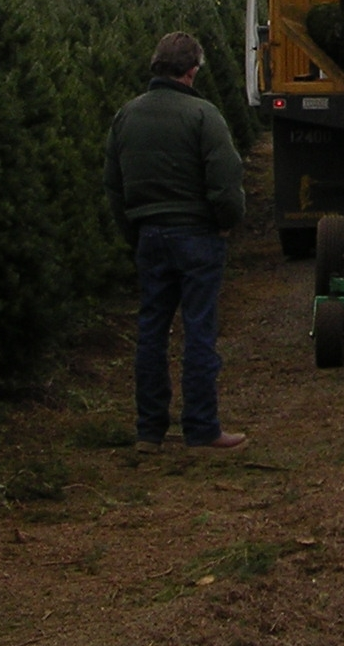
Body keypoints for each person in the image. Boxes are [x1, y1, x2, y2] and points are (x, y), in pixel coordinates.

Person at [105, 32, 248, 453]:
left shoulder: (126, 117)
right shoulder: (203, 116)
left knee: (151, 331)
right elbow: (225, 182)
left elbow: (114, 186)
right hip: (198, 238)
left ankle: (149, 431)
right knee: (199, 331)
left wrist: (133, 233)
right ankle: (202, 429)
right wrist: (226, 223)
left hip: (149, 236)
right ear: (191, 71)